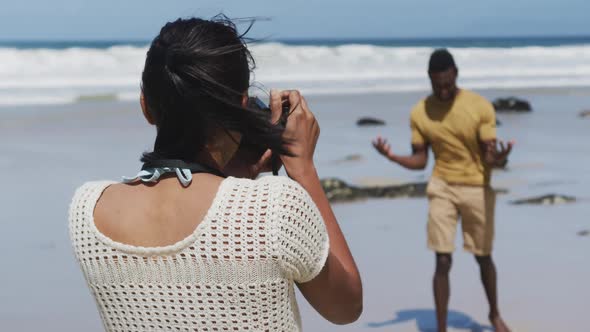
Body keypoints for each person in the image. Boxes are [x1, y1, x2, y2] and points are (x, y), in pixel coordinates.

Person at [69, 16, 362, 331]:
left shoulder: (88, 210)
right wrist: (302, 167)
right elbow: (346, 306)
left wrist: (239, 176)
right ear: (241, 106)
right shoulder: (275, 207)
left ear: (146, 106)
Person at [372, 49, 512, 332]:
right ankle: (440, 327)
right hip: (442, 187)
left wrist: (500, 158)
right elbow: (421, 160)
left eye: (447, 83)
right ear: (429, 80)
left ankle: (495, 315)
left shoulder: (480, 107)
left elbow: (489, 157)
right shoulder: (420, 112)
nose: (443, 90)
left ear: (456, 75)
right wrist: (392, 157)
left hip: (477, 186)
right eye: (437, 85)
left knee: (483, 256)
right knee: (442, 259)